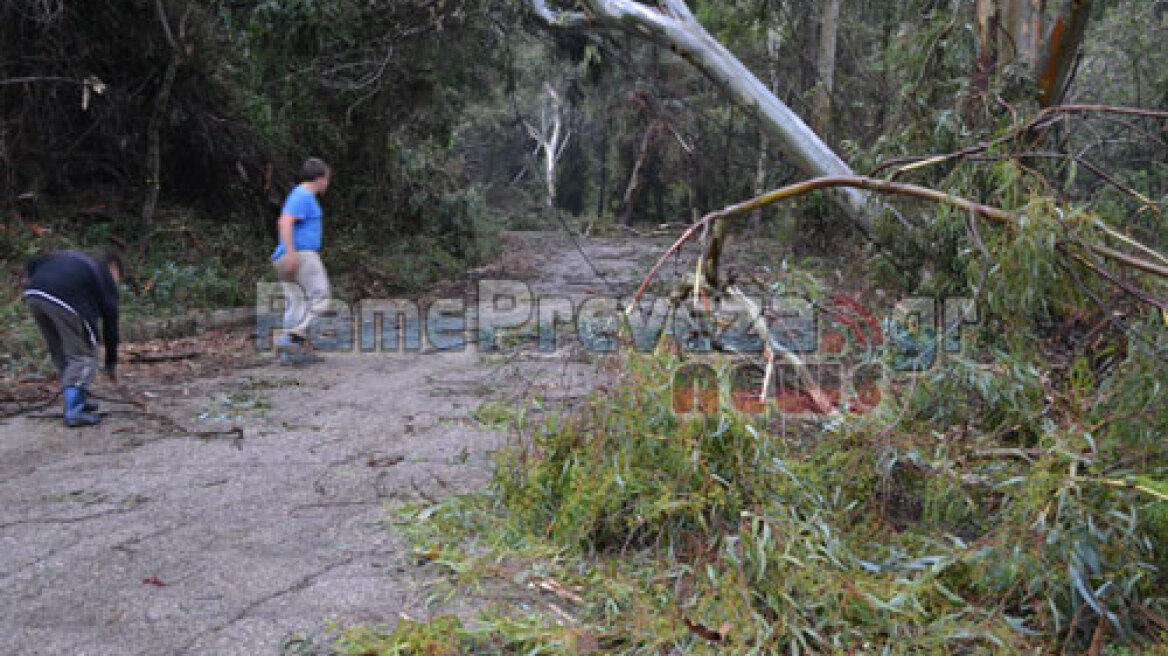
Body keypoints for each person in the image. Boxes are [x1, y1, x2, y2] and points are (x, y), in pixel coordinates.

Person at [23, 249, 124, 427]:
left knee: (62, 351)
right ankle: (74, 411)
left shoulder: (73, 260)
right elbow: (110, 324)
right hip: (64, 299)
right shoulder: (103, 274)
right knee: (84, 356)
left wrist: (34, 282)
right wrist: (111, 363)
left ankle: (76, 400)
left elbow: (33, 262)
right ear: (113, 269)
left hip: (34, 294)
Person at [273, 157, 332, 364]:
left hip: (287, 255)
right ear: (319, 178)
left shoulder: (299, 195)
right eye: (327, 179)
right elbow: (285, 222)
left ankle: (290, 354)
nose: (327, 183)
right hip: (301, 255)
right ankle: (292, 337)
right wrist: (291, 254)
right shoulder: (303, 195)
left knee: (296, 304)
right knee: (321, 298)